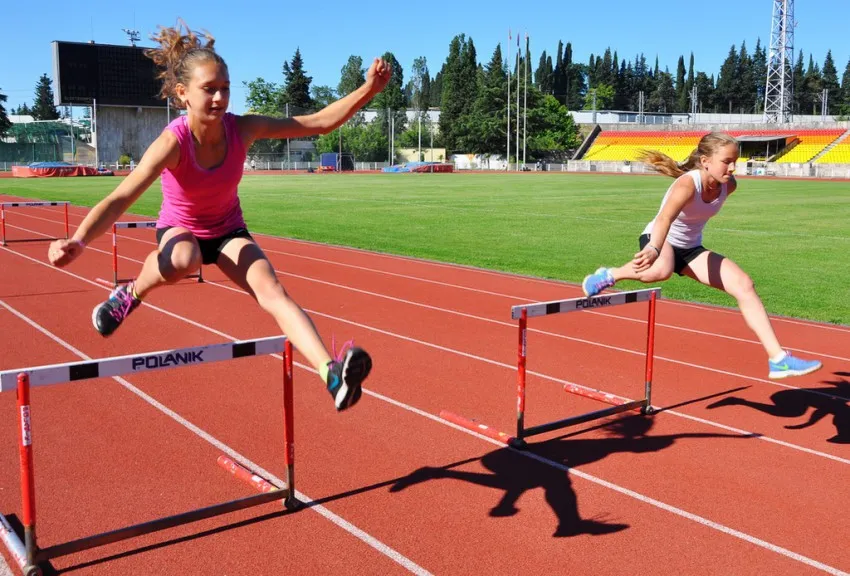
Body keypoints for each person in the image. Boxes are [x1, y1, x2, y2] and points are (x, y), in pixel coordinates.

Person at [47, 20, 390, 411]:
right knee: (184, 259)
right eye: (209, 89)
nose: (219, 98)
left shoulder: (242, 129)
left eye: (225, 89)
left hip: (227, 231)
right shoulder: (172, 143)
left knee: (272, 290)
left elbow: (317, 123)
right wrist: (78, 240)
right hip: (180, 231)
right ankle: (129, 294)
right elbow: (121, 196)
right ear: (183, 94)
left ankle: (331, 375)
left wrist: (368, 90)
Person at [581, 132, 822, 380]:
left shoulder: (729, 186)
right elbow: (664, 218)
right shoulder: (687, 184)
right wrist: (654, 247)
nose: (732, 167)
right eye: (726, 161)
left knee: (744, 285)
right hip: (660, 238)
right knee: (660, 271)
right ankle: (610, 274)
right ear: (705, 161)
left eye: (735, 161)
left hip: (690, 248)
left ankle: (778, 360)